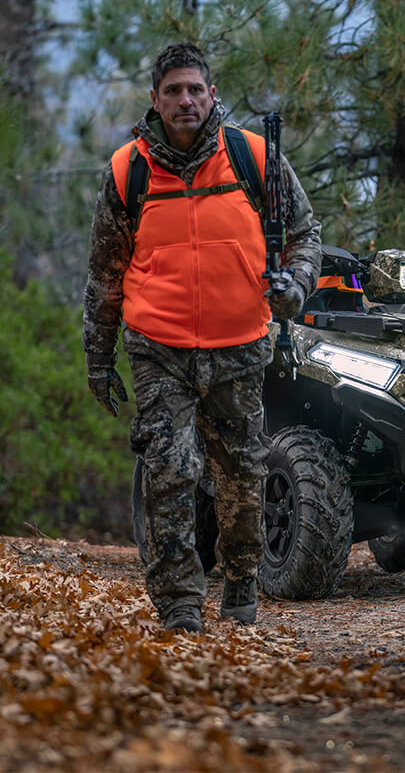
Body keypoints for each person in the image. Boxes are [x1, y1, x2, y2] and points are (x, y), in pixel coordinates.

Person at [83, 42, 321, 633]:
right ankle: (179, 605)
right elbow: (105, 275)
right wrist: (97, 358)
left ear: (211, 93)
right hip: (157, 347)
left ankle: (241, 583)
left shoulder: (255, 158)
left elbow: (306, 235)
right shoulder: (126, 171)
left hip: (239, 345)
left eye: (195, 89)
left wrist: (296, 286)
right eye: (173, 91)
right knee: (171, 470)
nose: (185, 100)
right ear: (155, 100)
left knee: (240, 473)